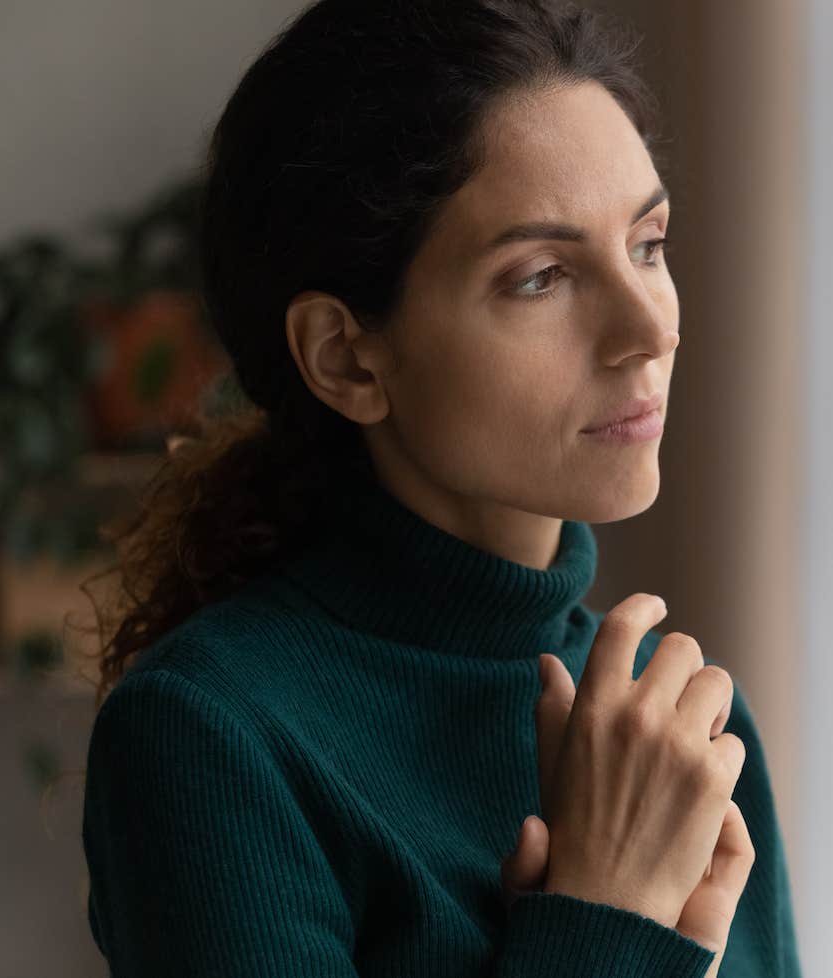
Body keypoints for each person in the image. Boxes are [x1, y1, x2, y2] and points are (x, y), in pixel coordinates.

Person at [79, 1, 803, 975]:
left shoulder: (679, 733)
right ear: (346, 358)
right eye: (541, 276)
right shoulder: (208, 737)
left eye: (647, 244)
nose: (648, 330)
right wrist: (606, 919)